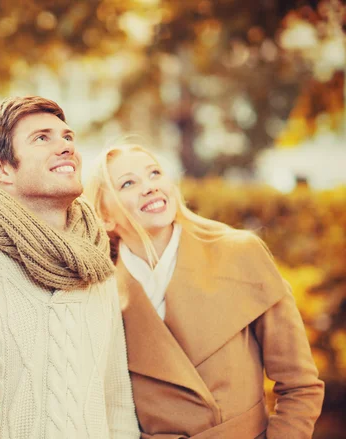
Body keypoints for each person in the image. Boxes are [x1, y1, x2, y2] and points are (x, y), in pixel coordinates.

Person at [85, 143, 325, 439]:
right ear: (105, 216)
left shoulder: (239, 254)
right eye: (128, 183)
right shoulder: (100, 296)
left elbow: (300, 386)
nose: (149, 187)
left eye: (155, 173)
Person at [0, 96, 140, 438]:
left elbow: (116, 400)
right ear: (1, 168)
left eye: (68, 137)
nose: (66, 147)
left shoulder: (96, 261)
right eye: (43, 138)